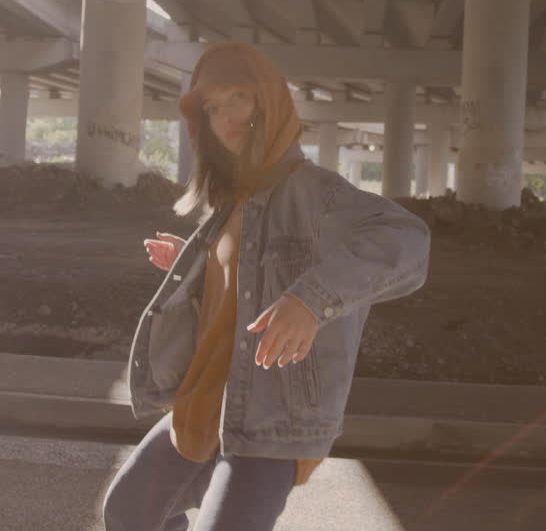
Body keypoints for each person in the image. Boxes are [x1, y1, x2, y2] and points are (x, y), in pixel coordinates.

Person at [102, 41, 431, 531]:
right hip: (203, 403)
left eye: (239, 97)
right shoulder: (235, 199)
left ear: (269, 101)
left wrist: (311, 300)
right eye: (213, 106)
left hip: (268, 423)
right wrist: (199, 264)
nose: (226, 115)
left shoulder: (317, 193)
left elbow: (408, 240)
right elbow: (247, 276)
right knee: (128, 513)